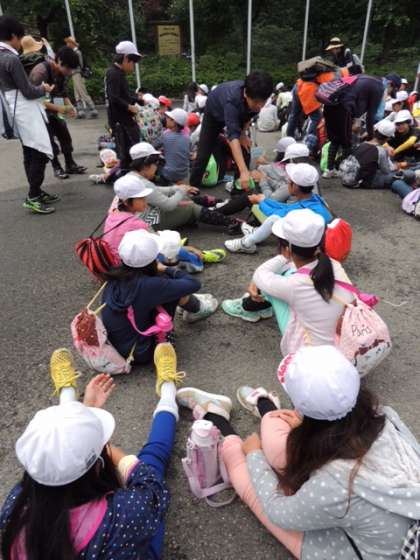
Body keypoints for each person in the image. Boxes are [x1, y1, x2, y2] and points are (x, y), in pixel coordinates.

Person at [176, 344, 420, 560]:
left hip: (351, 549)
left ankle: (220, 420)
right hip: (390, 525)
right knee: (282, 447)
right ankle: (255, 407)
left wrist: (254, 455)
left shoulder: (335, 483)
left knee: (256, 490)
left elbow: (278, 511)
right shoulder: (386, 418)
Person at [0, 343, 184, 559]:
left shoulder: (13, 511)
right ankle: (168, 390)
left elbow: (58, 461)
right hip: (130, 545)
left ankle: (68, 395)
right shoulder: (123, 514)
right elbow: (154, 489)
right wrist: (102, 446)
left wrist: (88, 433)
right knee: (152, 460)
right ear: (97, 465)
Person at [223, 209, 352, 347]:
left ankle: (248, 307)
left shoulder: (292, 285)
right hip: (350, 345)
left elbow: (260, 274)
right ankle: (259, 307)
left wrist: (283, 258)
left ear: (286, 250)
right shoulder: (333, 264)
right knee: (284, 275)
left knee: (270, 286)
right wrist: (287, 256)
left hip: (311, 353)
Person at [101, 230, 218, 364]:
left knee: (166, 289)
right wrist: (166, 268)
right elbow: (194, 284)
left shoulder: (117, 274)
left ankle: (192, 305)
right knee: (171, 287)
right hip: (140, 352)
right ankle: (197, 309)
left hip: (116, 345)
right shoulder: (149, 285)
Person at [104, 174, 225, 273]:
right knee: (173, 252)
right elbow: (159, 247)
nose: (145, 202)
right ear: (126, 202)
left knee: (164, 242)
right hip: (129, 269)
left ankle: (179, 246)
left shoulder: (113, 214)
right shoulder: (136, 224)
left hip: (114, 263)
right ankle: (200, 257)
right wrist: (189, 248)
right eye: (141, 198)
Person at [0, 16, 56, 214]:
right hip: (25, 108)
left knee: (29, 151)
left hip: (13, 108)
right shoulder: (11, 58)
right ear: (13, 35)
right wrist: (44, 88)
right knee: (39, 150)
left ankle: (37, 192)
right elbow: (28, 91)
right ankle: (33, 195)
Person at [128, 142, 241, 233]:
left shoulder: (132, 177)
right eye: (155, 164)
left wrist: (177, 188)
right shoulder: (142, 183)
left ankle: (219, 204)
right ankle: (232, 222)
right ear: (145, 165)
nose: (156, 167)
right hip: (149, 224)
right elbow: (168, 205)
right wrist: (181, 190)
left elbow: (155, 191)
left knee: (183, 199)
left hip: (140, 219)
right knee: (190, 207)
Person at [189, 71, 274, 190]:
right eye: (256, 102)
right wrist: (244, 171)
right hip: (214, 116)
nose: (260, 106)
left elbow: (248, 117)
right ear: (245, 93)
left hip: (237, 116)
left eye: (263, 102)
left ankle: (238, 189)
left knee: (245, 150)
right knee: (203, 155)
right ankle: (192, 188)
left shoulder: (255, 95)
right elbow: (232, 137)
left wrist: (243, 134)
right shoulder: (232, 101)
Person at [225, 162, 331, 254]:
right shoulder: (313, 199)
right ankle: (256, 232)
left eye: (289, 181)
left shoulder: (303, 209)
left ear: (295, 186)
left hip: (313, 245)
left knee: (273, 219)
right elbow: (286, 207)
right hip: (317, 237)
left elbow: (274, 214)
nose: (288, 183)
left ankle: (247, 244)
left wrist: (261, 201)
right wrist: (264, 200)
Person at [28, 43, 87, 179]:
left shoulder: (61, 72)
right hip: (39, 111)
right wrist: (59, 108)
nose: (69, 72)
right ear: (59, 61)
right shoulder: (40, 72)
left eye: (72, 69)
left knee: (64, 134)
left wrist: (70, 106)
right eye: (68, 68)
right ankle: (57, 167)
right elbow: (34, 99)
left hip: (56, 106)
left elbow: (62, 92)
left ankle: (70, 164)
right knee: (49, 140)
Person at [323, 74, 384, 178]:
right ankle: (341, 168)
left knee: (334, 140)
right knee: (347, 142)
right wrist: (371, 137)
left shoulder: (360, 78)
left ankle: (329, 170)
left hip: (328, 105)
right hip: (344, 108)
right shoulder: (378, 87)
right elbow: (371, 115)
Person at [105, 40, 142, 174]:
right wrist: (129, 107)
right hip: (120, 121)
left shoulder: (118, 73)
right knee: (127, 151)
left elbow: (122, 95)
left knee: (130, 148)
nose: (134, 65)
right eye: (133, 61)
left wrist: (138, 100)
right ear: (126, 58)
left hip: (124, 119)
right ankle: (126, 176)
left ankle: (130, 173)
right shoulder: (114, 73)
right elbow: (113, 97)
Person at [351, 119, 396, 189]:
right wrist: (395, 166)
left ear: (375, 131)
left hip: (349, 176)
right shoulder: (381, 150)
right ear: (388, 138)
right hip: (364, 182)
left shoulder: (361, 144)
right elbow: (386, 171)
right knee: (395, 176)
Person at [64, 35, 98, 119]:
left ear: (72, 44)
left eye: (68, 43)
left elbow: (81, 65)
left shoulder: (77, 52)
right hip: (74, 73)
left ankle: (93, 109)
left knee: (82, 91)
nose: (67, 44)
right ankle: (81, 111)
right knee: (77, 93)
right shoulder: (73, 52)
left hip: (77, 73)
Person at [155, 108, 191, 184]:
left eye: (168, 118)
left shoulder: (165, 135)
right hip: (184, 173)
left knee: (156, 162)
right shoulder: (187, 138)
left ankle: (162, 183)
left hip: (169, 174)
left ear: (174, 122)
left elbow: (153, 146)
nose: (166, 119)